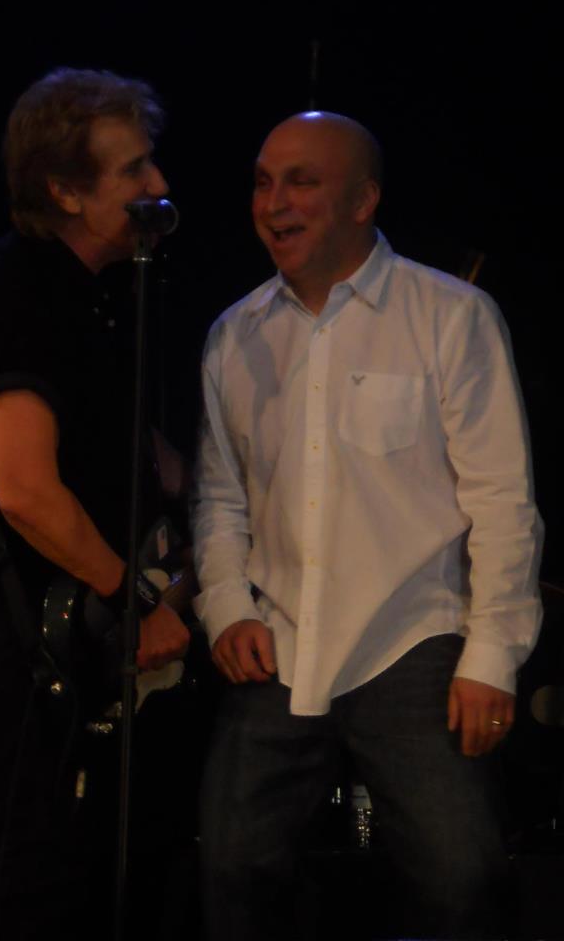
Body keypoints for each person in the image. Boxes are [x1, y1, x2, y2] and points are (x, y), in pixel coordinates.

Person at [192, 111, 543, 940]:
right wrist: (226, 606)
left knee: (462, 878)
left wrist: (492, 654)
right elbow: (220, 497)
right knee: (231, 869)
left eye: (301, 182)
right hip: (279, 639)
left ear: (363, 200)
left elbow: (502, 497)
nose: (274, 202)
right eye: (263, 182)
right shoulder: (237, 334)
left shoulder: (449, 315)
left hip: (410, 637)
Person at [0, 67, 190, 941]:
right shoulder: (20, 296)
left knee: (102, 867)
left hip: (73, 619)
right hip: (19, 624)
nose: (158, 184)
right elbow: (26, 492)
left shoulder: (98, 297)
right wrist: (136, 601)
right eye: (133, 169)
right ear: (67, 192)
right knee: (41, 870)